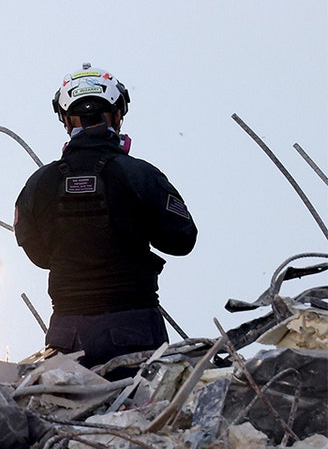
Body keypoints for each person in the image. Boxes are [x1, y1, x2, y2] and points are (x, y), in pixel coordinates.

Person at [14, 64, 197, 373]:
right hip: (134, 327)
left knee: (66, 419)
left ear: (65, 120)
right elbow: (181, 240)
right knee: (142, 417)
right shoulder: (141, 175)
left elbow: (39, 256)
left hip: (66, 335)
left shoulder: (38, 184)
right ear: (117, 114)